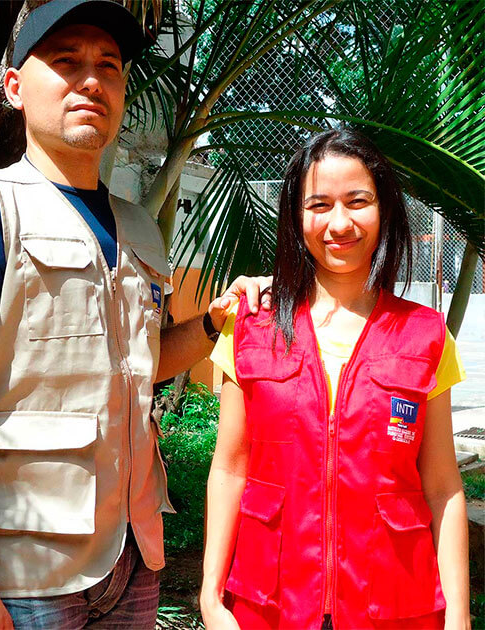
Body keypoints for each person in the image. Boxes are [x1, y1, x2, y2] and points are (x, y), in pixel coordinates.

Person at [0, 1, 269, 628]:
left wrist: (214, 322)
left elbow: (142, 363)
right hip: (21, 572)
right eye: (66, 61)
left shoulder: (139, 228)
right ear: (15, 88)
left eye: (109, 66)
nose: (91, 81)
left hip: (132, 557)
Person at [201, 129, 470, 630]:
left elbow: (442, 487)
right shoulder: (250, 326)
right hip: (270, 604)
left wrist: (457, 616)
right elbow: (231, 468)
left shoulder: (428, 335)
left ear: (384, 209)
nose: (339, 223)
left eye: (358, 201)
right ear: (295, 216)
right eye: (319, 205)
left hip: (394, 607)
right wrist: (211, 597)